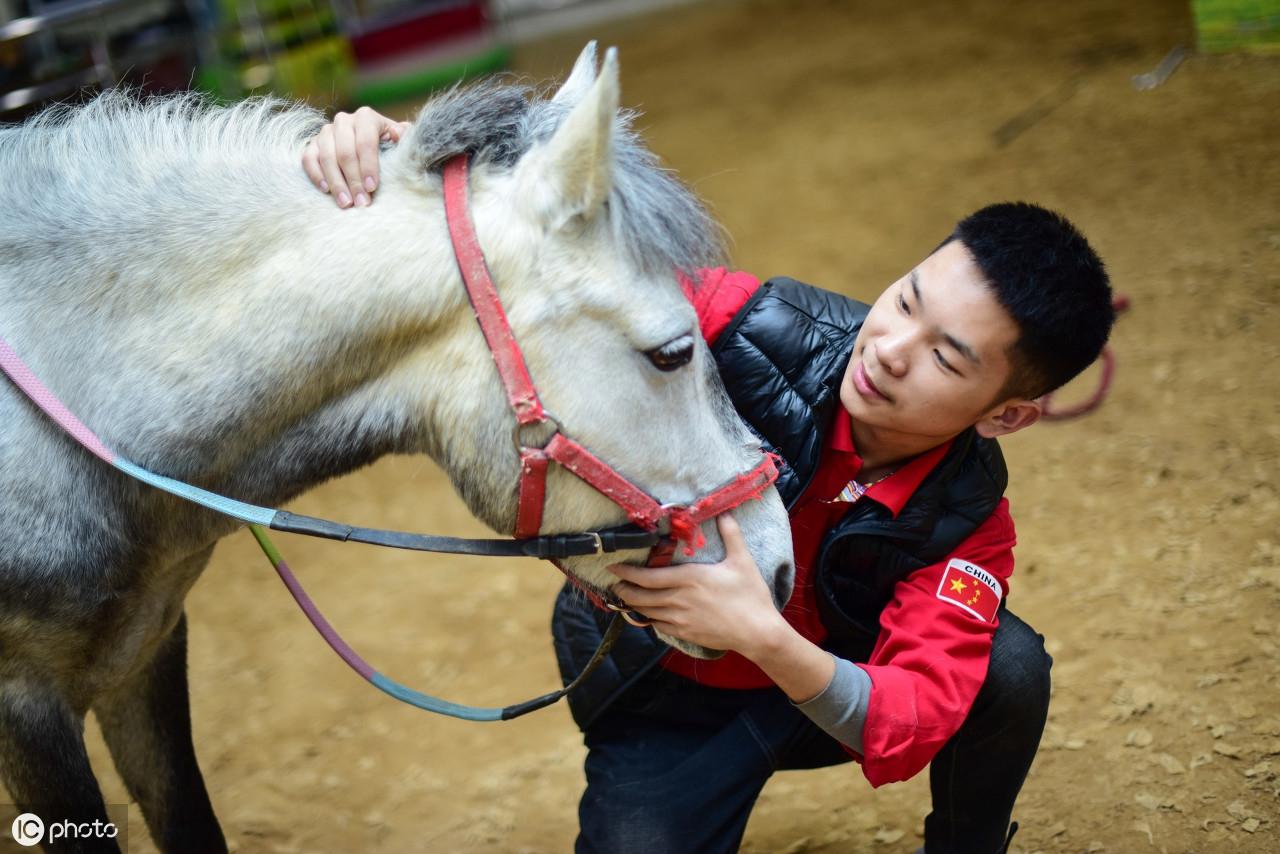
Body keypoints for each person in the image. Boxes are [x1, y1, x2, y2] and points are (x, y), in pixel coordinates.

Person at [303, 109, 1114, 854]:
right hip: (667, 696)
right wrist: (405, 157)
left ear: (1005, 415)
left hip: (818, 686)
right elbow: (552, 257)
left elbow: (911, 716)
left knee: (1006, 667)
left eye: (945, 356)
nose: (892, 349)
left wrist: (761, 634)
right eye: (904, 300)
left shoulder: (968, 518)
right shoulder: (740, 325)